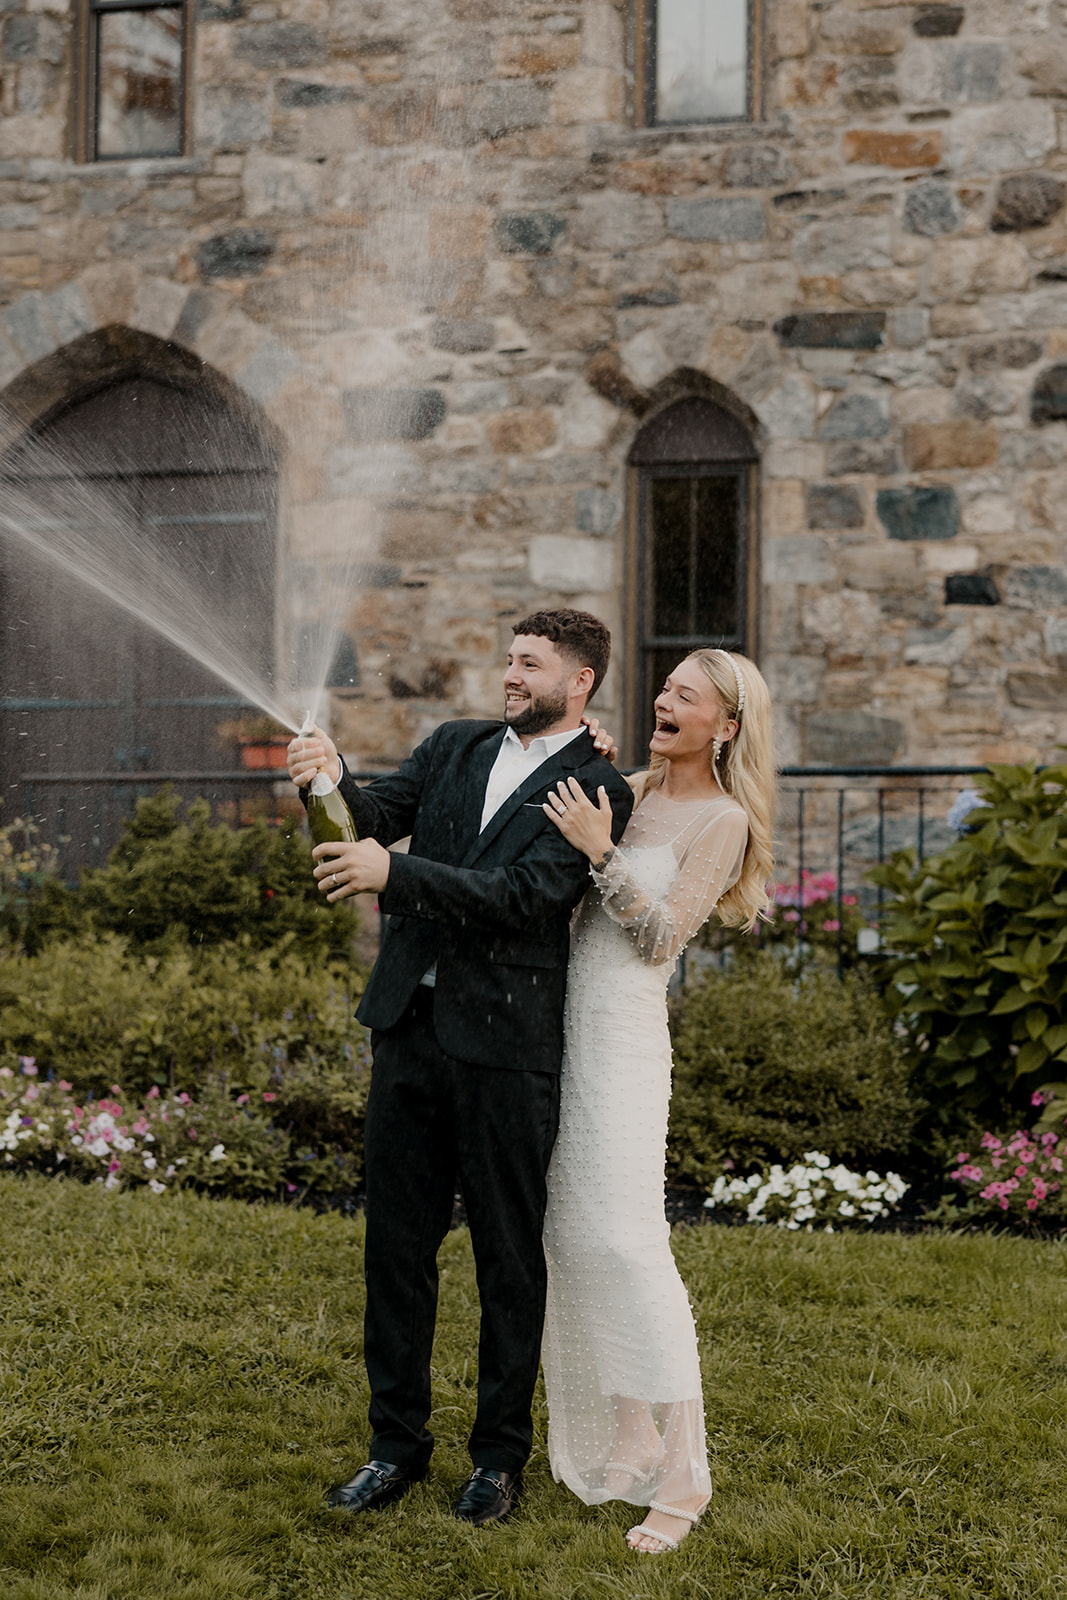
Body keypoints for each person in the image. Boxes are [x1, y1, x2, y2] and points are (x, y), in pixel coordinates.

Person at [285, 609, 634, 1526]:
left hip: (507, 1051)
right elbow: (370, 820)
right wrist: (325, 781)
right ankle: (392, 1449)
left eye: (529, 664)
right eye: (507, 659)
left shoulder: (598, 786)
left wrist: (393, 878)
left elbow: (525, 899)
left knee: (507, 1260)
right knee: (393, 1251)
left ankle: (496, 1461)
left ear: (580, 680)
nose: (509, 675)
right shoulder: (451, 745)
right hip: (408, 1028)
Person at [539, 647, 775, 1555]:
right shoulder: (628, 786)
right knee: (570, 1235)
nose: (664, 699)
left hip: (626, 1044)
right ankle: (628, 1431)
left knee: (629, 1245)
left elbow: (658, 939)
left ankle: (684, 1474)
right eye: (665, 687)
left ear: (725, 725)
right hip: (563, 1033)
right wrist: (579, 753)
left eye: (687, 694)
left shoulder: (722, 820)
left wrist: (600, 852)